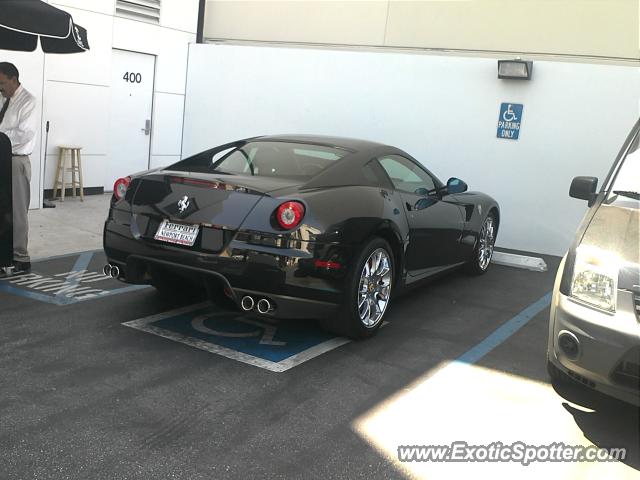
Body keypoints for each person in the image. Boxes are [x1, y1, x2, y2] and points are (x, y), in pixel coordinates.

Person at [0, 62, 37, 276]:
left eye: (2, 83)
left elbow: (25, 134)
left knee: (17, 210)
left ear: (14, 79)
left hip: (16, 161)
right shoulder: (3, 98)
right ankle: (5, 254)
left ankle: (21, 257)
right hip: (2, 157)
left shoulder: (28, 102)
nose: (0, 87)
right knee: (2, 209)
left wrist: (2, 140)